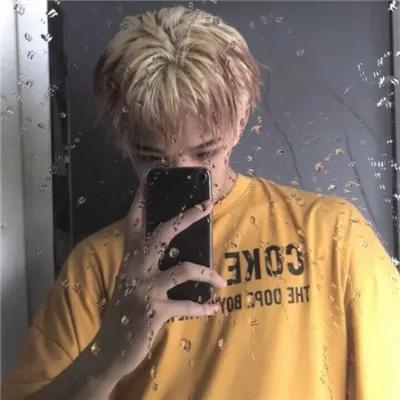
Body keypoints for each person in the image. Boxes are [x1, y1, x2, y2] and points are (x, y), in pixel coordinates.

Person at [2, 5, 399, 400]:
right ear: (122, 140)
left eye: (205, 150)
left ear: (241, 120)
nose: (183, 170)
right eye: (151, 157)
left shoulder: (331, 235)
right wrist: (105, 358)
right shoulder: (94, 268)